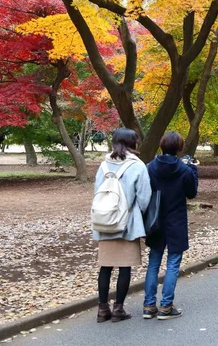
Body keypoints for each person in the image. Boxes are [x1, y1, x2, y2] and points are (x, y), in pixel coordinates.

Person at [94, 129, 151, 323]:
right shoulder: (137, 166)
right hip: (128, 222)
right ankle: (118, 308)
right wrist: (138, 214)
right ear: (132, 143)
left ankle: (102, 309)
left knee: (106, 266)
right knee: (125, 266)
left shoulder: (103, 165)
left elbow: (97, 192)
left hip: (105, 220)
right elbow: (144, 198)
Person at [143, 132, 198, 320]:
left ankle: (149, 305)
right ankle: (166, 306)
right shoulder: (184, 170)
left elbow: (145, 192)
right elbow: (191, 193)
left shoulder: (150, 167)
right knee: (173, 264)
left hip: (155, 219)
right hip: (176, 220)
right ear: (179, 148)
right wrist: (194, 170)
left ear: (161, 145)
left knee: (153, 263)